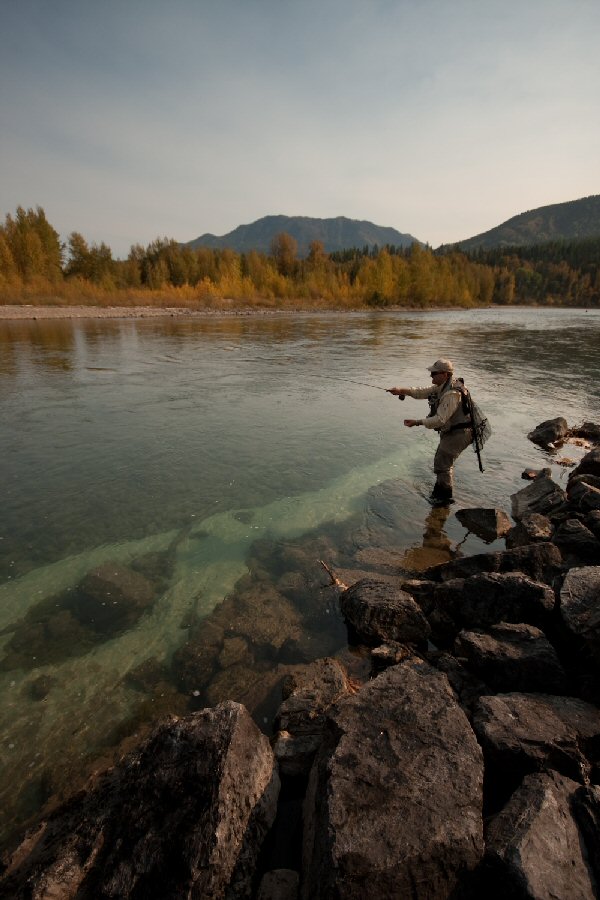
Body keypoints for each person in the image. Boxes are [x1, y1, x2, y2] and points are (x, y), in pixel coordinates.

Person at [387, 358, 473, 503]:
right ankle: (441, 497)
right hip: (453, 430)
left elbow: (440, 419)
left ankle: (443, 499)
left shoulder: (452, 393)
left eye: (434, 373)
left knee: (443, 462)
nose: (431, 376)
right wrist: (402, 390)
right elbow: (422, 392)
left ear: (445, 374)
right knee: (442, 461)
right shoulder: (443, 385)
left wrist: (418, 422)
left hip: (460, 433)